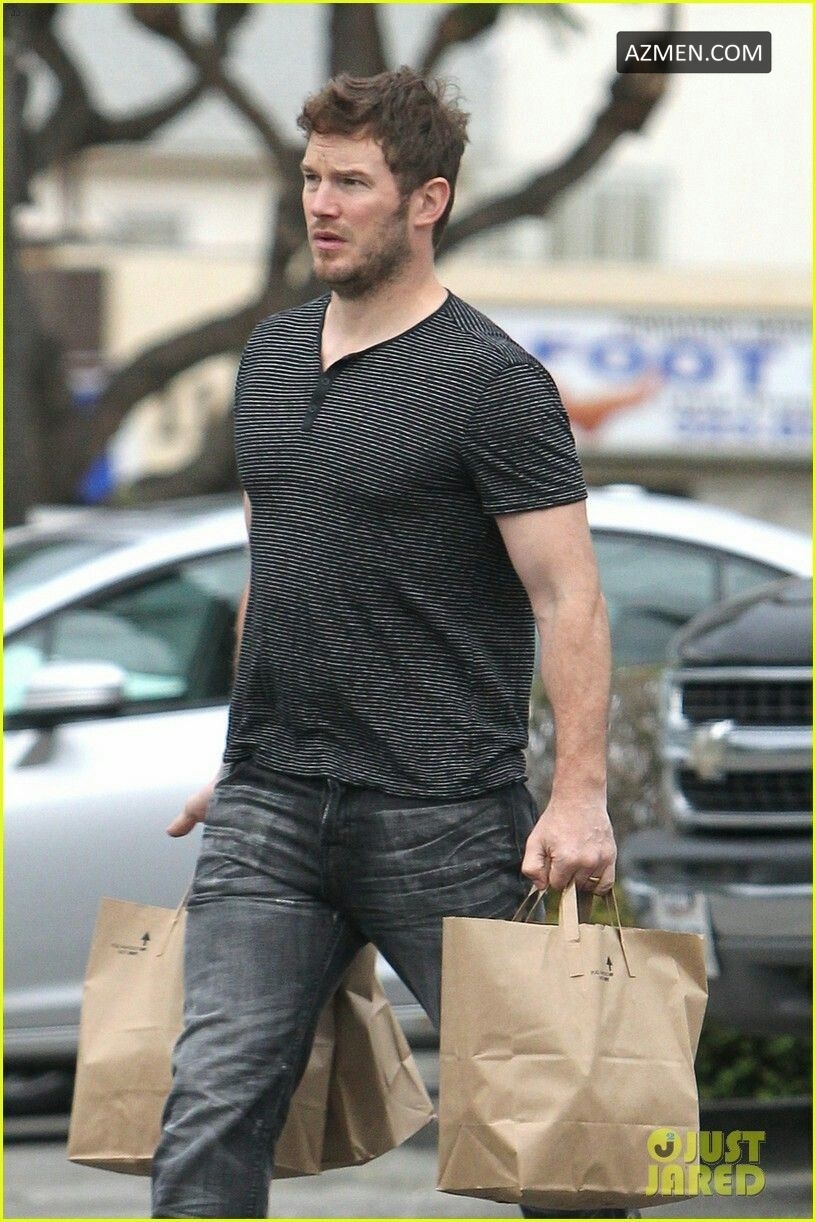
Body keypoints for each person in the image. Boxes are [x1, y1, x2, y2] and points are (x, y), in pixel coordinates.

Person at [151, 67, 618, 1219]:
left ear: (427, 200)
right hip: (270, 809)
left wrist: (579, 796)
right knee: (207, 1110)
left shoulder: (493, 382)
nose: (321, 203)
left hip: (442, 815)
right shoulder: (268, 358)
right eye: (312, 177)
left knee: (560, 1138)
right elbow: (275, 567)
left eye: (352, 182)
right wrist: (238, 754)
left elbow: (569, 597)